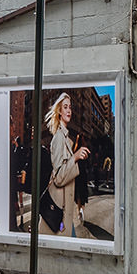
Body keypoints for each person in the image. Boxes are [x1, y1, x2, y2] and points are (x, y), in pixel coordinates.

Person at [40, 93, 88, 237]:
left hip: (65, 209)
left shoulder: (66, 138)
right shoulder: (59, 138)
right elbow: (59, 177)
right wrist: (75, 157)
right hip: (58, 209)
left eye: (70, 108)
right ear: (59, 111)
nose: (69, 111)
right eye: (65, 107)